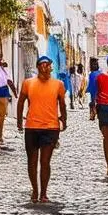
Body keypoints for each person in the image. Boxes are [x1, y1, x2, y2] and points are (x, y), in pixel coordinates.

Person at [16, 55, 67, 204]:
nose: (46, 67)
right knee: (32, 161)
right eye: (43, 65)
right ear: (38, 67)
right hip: (31, 126)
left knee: (45, 161)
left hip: (51, 127)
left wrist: (64, 119)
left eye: (48, 65)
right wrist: (19, 121)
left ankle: (44, 193)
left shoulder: (58, 84)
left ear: (51, 67)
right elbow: (21, 102)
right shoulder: (28, 83)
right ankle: (35, 189)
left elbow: (62, 104)